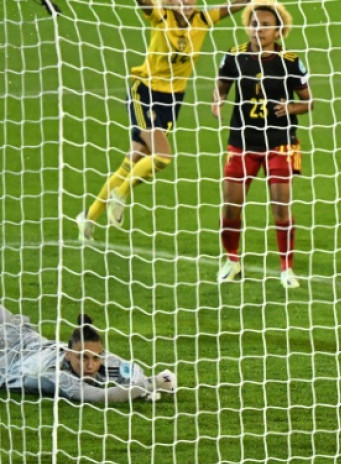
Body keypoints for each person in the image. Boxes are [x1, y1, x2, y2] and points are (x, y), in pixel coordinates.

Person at [75, 0, 248, 242]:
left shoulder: (203, 20)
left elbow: (231, 6)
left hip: (172, 102)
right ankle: (120, 195)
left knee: (135, 158)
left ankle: (88, 218)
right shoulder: (161, 15)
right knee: (162, 156)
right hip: (145, 93)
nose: (187, 3)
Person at [211, 0, 312, 289]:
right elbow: (220, 87)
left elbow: (309, 102)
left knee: (280, 207)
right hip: (242, 142)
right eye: (255, 24)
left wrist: (291, 108)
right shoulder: (234, 57)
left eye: (266, 25)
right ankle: (232, 261)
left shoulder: (290, 61)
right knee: (231, 207)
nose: (259, 30)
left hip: (280, 143)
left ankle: (286, 268)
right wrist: (217, 99)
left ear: (279, 31)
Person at [0, 306, 177, 403]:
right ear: (68, 354)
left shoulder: (102, 361)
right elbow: (104, 396)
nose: (90, 365)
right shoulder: (61, 377)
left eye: (95, 358)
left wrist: (145, 386)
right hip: (17, 345)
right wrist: (155, 383)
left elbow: (132, 370)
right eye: (82, 357)